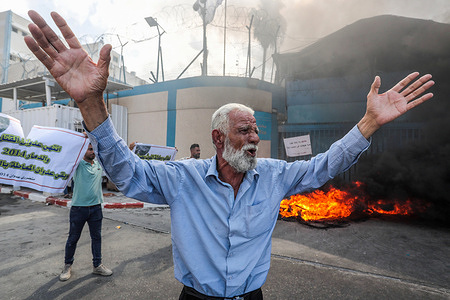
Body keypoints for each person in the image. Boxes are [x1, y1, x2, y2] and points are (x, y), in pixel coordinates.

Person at [25, 10, 434, 298]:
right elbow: (127, 171)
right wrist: (91, 104)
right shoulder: (183, 179)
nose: (255, 137)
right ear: (218, 139)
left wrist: (369, 124)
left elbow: (323, 166)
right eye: (244, 130)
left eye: (256, 129)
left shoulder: (273, 176)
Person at [59, 143, 113, 281]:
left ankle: (97, 265)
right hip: (79, 209)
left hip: (95, 208)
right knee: (73, 239)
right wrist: (82, 139)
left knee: (97, 238)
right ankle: (67, 266)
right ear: (83, 150)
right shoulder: (77, 165)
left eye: (93, 149)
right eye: (89, 149)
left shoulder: (98, 165)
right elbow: (68, 154)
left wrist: (131, 149)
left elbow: (115, 160)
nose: (92, 152)